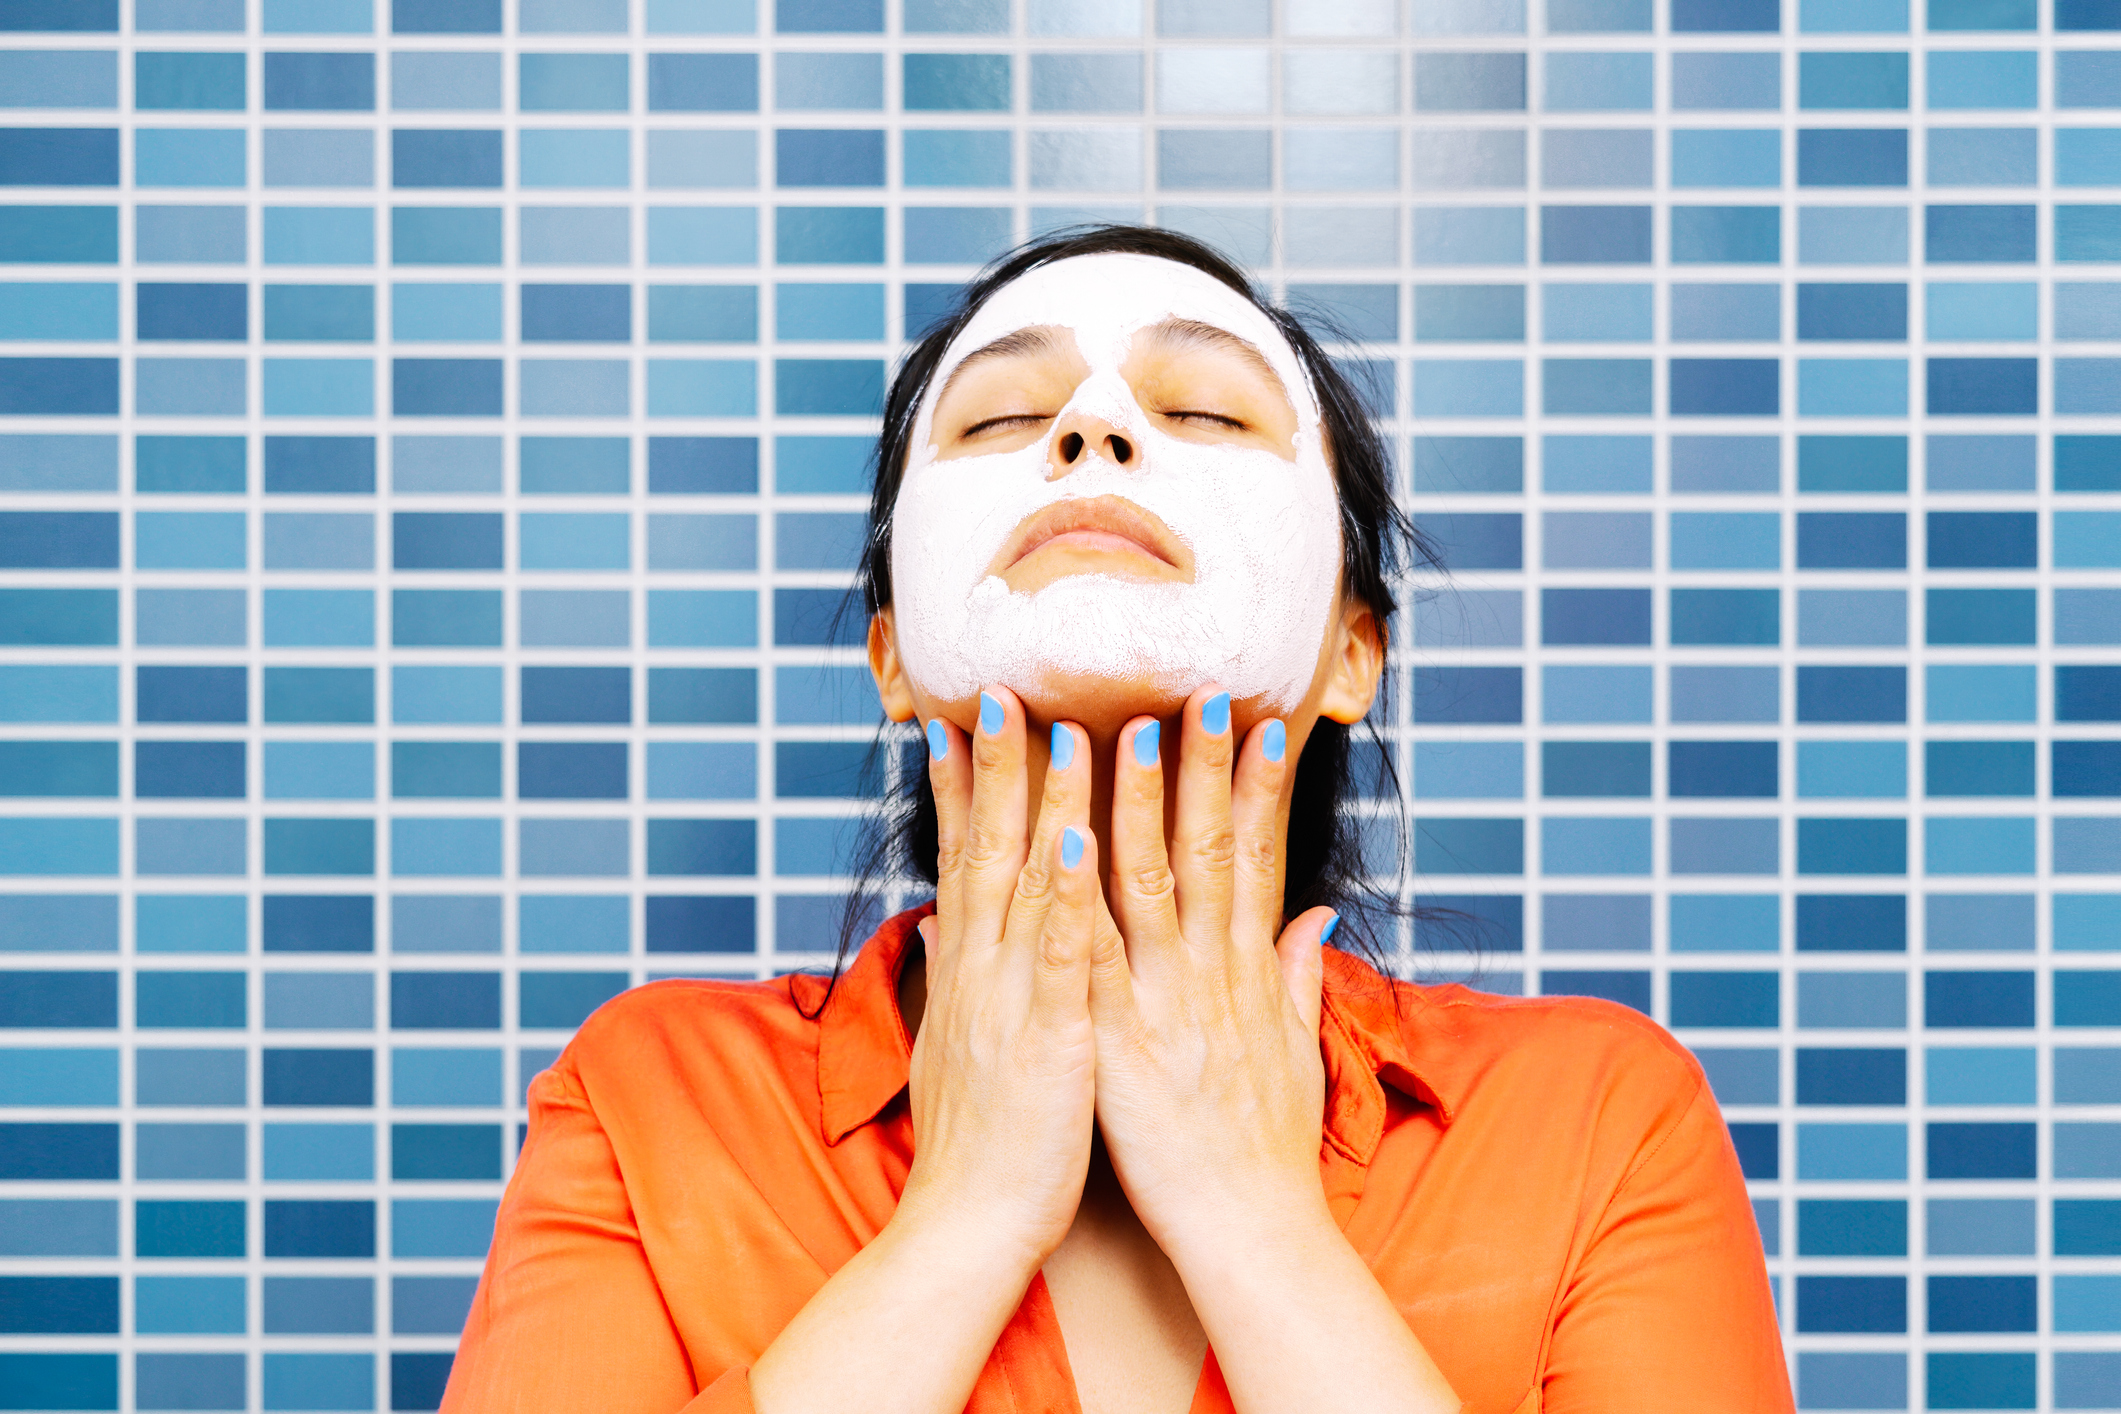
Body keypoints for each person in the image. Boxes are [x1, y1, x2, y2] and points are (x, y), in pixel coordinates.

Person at [438, 226, 1794, 1414]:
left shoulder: (1601, 1118)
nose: (1093, 429)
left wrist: (1251, 1220)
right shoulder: (649, 1098)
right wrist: (960, 1223)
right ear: (891, 651)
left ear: (1349, 650)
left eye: (1202, 412)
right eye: (994, 420)